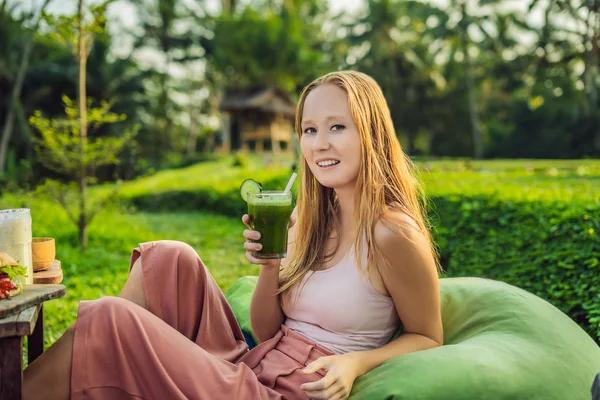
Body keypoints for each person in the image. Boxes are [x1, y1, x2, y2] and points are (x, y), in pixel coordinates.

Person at [22, 70, 443, 400]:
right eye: (310, 130)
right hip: (254, 363)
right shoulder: (309, 216)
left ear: (370, 133)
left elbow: (428, 336)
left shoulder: (392, 233)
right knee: (168, 258)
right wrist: (270, 265)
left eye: (337, 127)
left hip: (288, 392)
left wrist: (357, 363)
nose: (319, 144)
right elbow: (266, 329)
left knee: (114, 319)